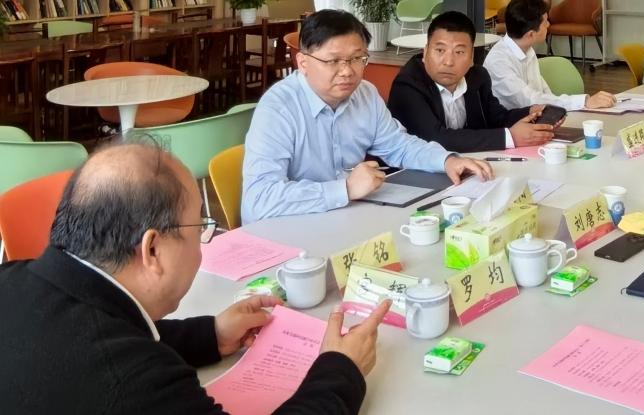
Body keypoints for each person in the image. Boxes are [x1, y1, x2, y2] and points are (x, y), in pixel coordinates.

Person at [0, 142, 392, 414]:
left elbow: (109, 329)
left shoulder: (15, 279)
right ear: (152, 250)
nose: (204, 241)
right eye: (199, 227)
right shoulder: (136, 383)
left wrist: (209, 336)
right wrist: (341, 370)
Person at [242, 10, 491, 224]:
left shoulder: (365, 94)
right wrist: (345, 189)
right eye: (333, 61)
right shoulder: (278, 108)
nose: (347, 71)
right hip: (289, 231)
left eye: (357, 59)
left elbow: (399, 146)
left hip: (345, 219)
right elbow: (258, 200)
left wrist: (446, 160)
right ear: (303, 63)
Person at [387, 11, 555, 152]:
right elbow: (435, 138)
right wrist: (509, 137)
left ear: (471, 58)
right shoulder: (408, 84)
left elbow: (497, 118)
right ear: (425, 52)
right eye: (440, 50)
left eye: (459, 52)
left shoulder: (478, 77)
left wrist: (530, 113)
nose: (448, 61)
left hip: (470, 164)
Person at [483, 0, 616, 111]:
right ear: (531, 34)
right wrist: (584, 102)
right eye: (545, 22)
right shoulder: (499, 62)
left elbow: (543, 93)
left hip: (534, 117)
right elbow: (530, 100)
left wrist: (566, 107)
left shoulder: (526, 49)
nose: (548, 25)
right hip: (510, 126)